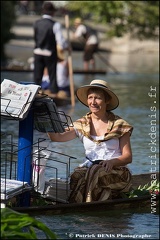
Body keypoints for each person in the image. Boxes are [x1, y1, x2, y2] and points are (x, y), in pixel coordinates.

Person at [47, 79, 133, 203]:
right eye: (90, 97)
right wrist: (47, 120)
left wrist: (112, 162)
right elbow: (56, 137)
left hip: (117, 173)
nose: (93, 102)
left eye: (97, 98)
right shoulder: (82, 124)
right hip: (92, 170)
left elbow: (128, 157)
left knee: (95, 171)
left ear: (107, 100)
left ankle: (86, 206)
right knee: (77, 175)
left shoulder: (120, 125)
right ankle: (76, 208)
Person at [33, 1, 68, 97]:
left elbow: (36, 38)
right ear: (52, 12)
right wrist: (66, 47)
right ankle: (54, 93)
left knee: (37, 76)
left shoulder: (36, 23)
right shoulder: (55, 24)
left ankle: (35, 94)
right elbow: (60, 41)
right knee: (52, 75)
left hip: (37, 52)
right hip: (50, 53)